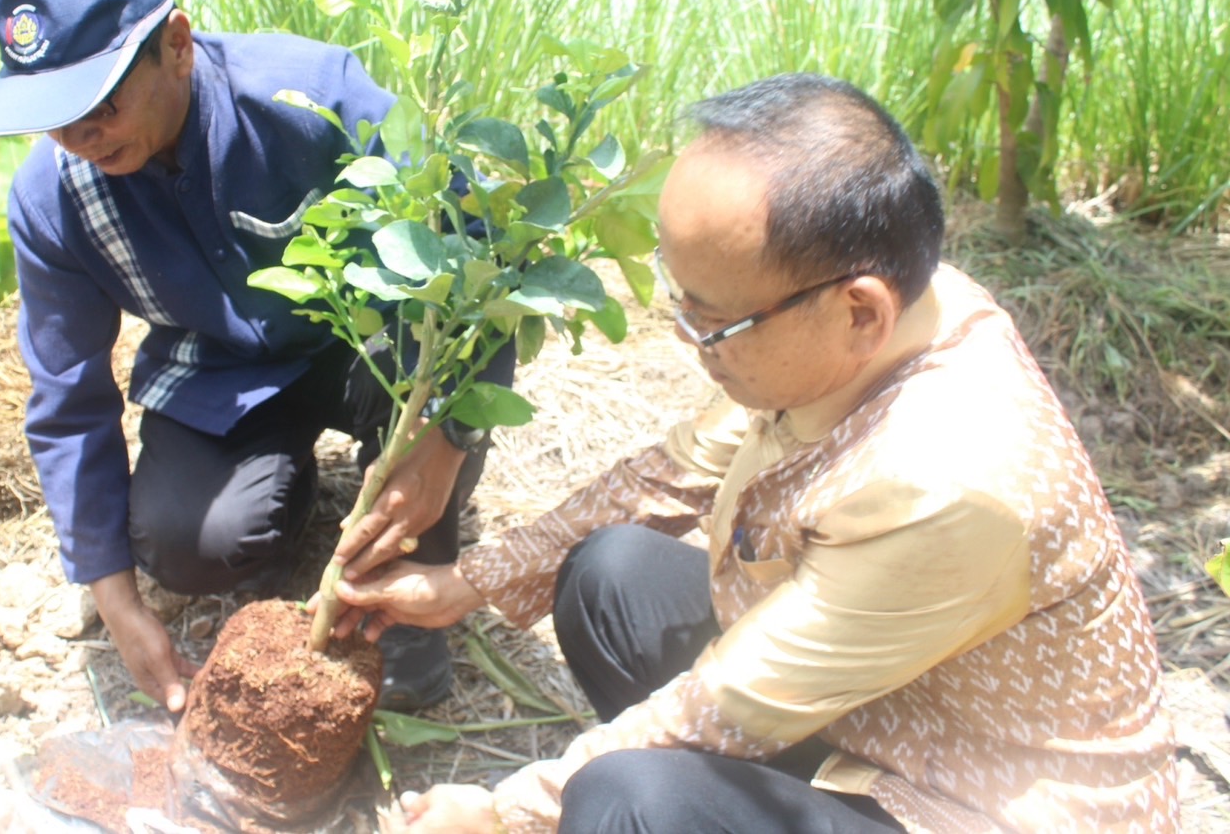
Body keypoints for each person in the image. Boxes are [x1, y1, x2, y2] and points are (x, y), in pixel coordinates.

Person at [329, 73, 1177, 831]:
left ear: (858, 311)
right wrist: (466, 584)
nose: (688, 337)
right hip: (874, 716)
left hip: (964, 803)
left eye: (715, 320)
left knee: (628, 805)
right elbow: (675, 471)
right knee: (610, 573)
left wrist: (507, 812)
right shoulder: (898, 316)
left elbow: (738, 699)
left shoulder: (951, 483)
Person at [0, 0, 504, 714]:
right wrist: (115, 598)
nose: (80, 136)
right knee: (187, 541)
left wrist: (446, 445)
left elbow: (473, 262)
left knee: (419, 403)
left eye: (100, 103)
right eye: (53, 114)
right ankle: (284, 511)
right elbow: (68, 397)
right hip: (222, 369)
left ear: (176, 44)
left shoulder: (311, 96)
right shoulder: (56, 197)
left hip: (373, 347)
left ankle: (403, 586)